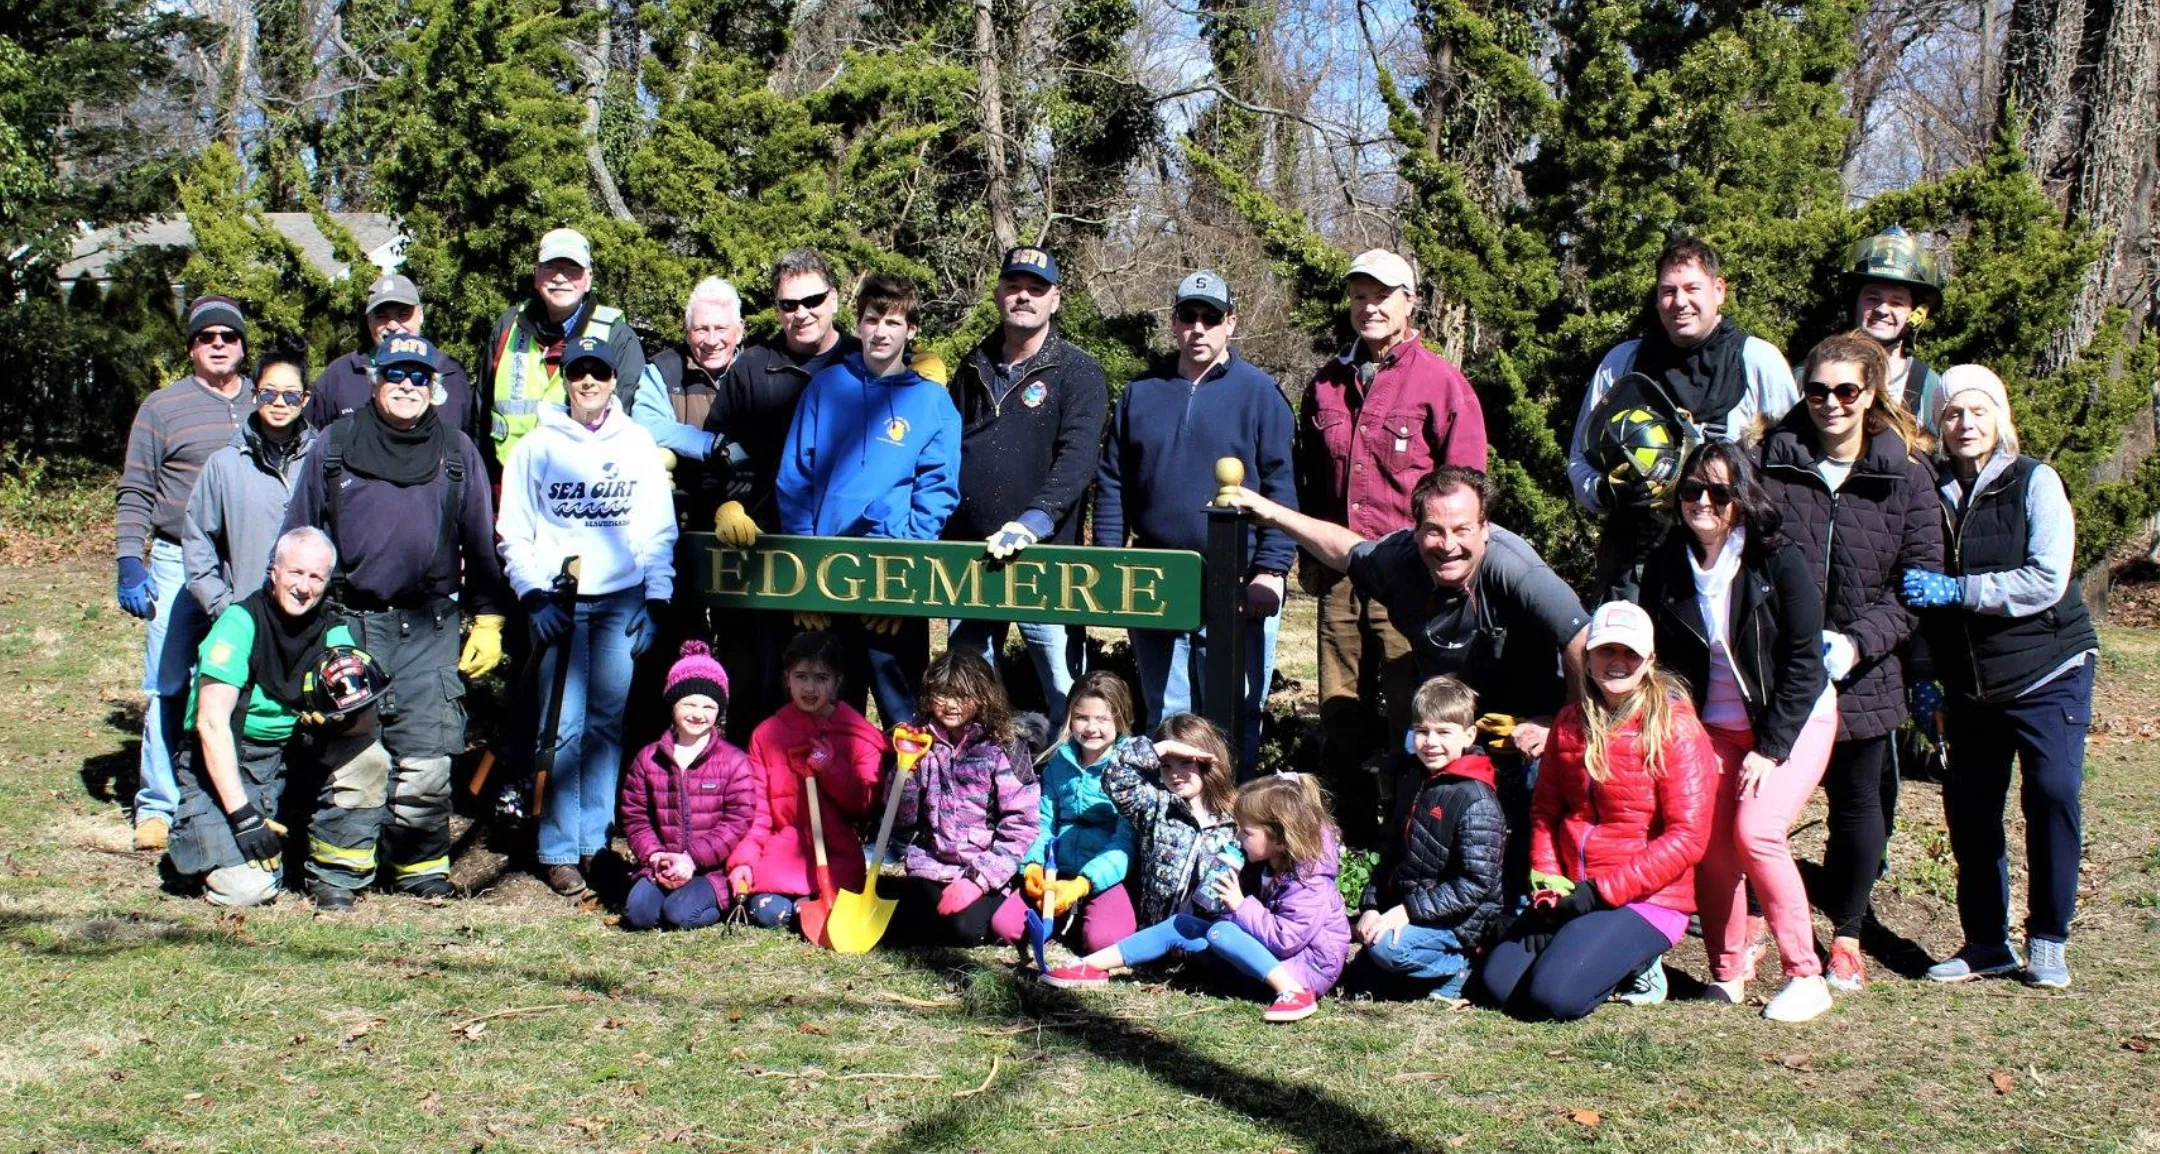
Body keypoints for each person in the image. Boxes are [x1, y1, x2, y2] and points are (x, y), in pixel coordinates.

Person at [1218, 466, 1588, 898]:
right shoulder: (1399, 561)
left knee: (1533, 788)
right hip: (1455, 718)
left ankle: (1531, 898)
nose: (1448, 545)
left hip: (1531, 713)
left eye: (1462, 529)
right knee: (1413, 778)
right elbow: (1347, 550)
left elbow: (1581, 637)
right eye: (1433, 530)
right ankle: (1412, 895)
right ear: (1415, 531)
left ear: (1485, 528)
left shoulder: (1514, 569)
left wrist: (1562, 722)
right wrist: (1272, 512)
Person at [281, 332, 510, 904]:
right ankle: (339, 874)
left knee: (427, 759)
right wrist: (302, 623)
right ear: (375, 379)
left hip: (429, 626)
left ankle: (418, 870)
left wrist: (489, 618)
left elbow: (481, 545)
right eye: (396, 375)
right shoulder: (335, 446)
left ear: (433, 389)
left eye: (418, 377)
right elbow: (299, 539)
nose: (407, 386)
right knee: (356, 757)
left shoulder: (458, 453)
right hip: (350, 621)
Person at [1757, 332, 1942, 993]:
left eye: (1846, 390)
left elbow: (1916, 583)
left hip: (1865, 672)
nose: (1831, 403)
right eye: (1818, 390)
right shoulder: (1772, 463)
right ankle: (1759, 917)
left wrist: (1860, 641)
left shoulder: (1907, 477)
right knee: (1762, 801)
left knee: (1859, 805)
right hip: (1781, 670)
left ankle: (1848, 932)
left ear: (1870, 395)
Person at [1908, 366, 2098, 990]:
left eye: (1978, 412)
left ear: (2000, 418)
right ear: (1939, 423)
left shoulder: (2034, 481)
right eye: (1954, 414)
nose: (1966, 425)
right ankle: (1987, 941)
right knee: (1970, 810)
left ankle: (2048, 938)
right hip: (1971, 685)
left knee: (2051, 793)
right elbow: (1915, 594)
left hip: (2049, 668)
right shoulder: (1929, 488)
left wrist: (1962, 589)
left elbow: (2048, 577)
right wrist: (1926, 674)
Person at [1637, 441, 1839, 1021]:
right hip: (1716, 730)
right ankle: (1728, 971)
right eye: (1692, 490)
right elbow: (1665, 664)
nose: (1702, 502)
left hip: (1793, 721)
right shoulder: (1666, 564)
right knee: (1711, 847)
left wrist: (1771, 749)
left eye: (1718, 492)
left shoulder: (1778, 559)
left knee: (1757, 831)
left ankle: (1805, 974)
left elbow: (1805, 662)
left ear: (1741, 499)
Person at [1294, 249, 1488, 843]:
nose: (1369, 307)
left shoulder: (1441, 384)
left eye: (1381, 296)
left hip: (1410, 571)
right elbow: (1308, 479)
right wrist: (1311, 557)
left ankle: (1416, 837)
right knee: (1341, 708)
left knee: (1414, 710)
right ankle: (1350, 838)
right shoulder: (1326, 383)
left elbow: (1467, 487)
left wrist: (1451, 569)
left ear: (1409, 302)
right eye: (1358, 296)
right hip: (1343, 573)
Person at [496, 334, 679, 898]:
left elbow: (657, 531)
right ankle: (556, 847)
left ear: (611, 378)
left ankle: (595, 841)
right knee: (561, 726)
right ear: (566, 378)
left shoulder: (638, 444)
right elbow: (514, 533)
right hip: (561, 603)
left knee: (605, 725)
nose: (590, 383)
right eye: (579, 373)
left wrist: (656, 601)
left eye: (599, 372)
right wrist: (531, 596)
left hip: (621, 601)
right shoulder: (537, 447)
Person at [1477, 601, 1715, 1021]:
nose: (1618, 662)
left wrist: (1601, 893)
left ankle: (1639, 965)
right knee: (1496, 985)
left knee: (1555, 997)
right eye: (1607, 651)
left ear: (1649, 660)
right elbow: (1546, 813)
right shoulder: (1569, 722)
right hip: (1573, 893)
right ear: (1586, 660)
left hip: (1646, 897)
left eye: (1630, 653)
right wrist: (1549, 884)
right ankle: (1585, 944)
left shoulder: (1675, 727)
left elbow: (1687, 837)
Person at [1094, 270, 1294, 765]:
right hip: (1157, 576)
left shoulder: (1259, 393)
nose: (1198, 329)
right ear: (1174, 322)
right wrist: (1107, 563)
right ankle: (1171, 819)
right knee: (1168, 706)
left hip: (1239, 577)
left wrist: (1270, 569)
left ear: (1231, 322)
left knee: (1237, 710)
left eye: (1211, 317)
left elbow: (1282, 485)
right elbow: (1113, 481)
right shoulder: (1141, 393)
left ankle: (1234, 818)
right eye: (1188, 316)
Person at [771, 272, 960, 725]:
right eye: (873, 319)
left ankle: (906, 795)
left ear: (911, 330)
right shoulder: (825, 388)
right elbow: (795, 480)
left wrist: (903, 587)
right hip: (828, 577)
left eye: (893, 323)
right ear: (858, 324)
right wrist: (807, 578)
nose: (881, 331)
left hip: (891, 577)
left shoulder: (932, 402)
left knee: (905, 715)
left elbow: (937, 492)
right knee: (831, 715)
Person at [167, 527, 389, 908]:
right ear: (273, 571)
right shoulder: (238, 624)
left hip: (290, 756)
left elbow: (364, 721)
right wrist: (243, 817)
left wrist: (342, 720)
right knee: (247, 890)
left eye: (315, 577)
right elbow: (210, 724)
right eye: (296, 573)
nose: (304, 586)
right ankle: (217, 844)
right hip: (227, 761)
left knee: (369, 758)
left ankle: (333, 876)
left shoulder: (334, 630)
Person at [1568, 238, 1799, 601]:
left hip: (1729, 568)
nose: (1680, 302)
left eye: (1693, 288)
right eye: (1668, 291)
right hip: (1633, 568)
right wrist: (1606, 492)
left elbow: (1794, 473)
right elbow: (1580, 459)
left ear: (1719, 290)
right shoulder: (1623, 364)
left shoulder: (1757, 362)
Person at [943, 247, 1109, 720]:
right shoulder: (972, 364)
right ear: (998, 294)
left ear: (1055, 299)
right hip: (973, 560)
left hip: (1046, 560)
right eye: (1014, 287)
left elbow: (1077, 461)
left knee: (1067, 695)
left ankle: (1066, 788)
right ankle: (977, 786)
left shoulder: (1078, 371)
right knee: (968, 694)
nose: (1023, 297)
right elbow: (951, 446)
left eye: (1036, 289)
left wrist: (1033, 521)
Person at [1045, 773, 1349, 1025]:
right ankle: (1090, 965)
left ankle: (1293, 994)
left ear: (1280, 839)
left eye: (1246, 832)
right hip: (1266, 961)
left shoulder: (1311, 881)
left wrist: (1240, 905)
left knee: (1221, 932)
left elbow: (1286, 940)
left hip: (1305, 971)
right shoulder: (1265, 864)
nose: (1239, 839)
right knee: (1183, 924)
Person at [116, 294, 253, 851]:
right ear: (192, 346)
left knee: (240, 681)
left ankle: (237, 793)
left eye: (228, 336)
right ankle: (157, 803)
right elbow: (135, 489)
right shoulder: (162, 407)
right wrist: (131, 557)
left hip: (243, 558)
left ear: (243, 345)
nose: (218, 345)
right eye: (206, 337)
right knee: (169, 682)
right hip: (175, 557)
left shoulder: (266, 399)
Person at [1343, 675, 1506, 1001]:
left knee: (1387, 950)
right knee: (1357, 973)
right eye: (1422, 731)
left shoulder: (1476, 799)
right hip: (1415, 906)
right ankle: (1416, 977)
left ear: (1469, 735)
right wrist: (1372, 905)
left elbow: (1474, 884)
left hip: (1460, 921)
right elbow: (1391, 850)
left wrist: (1407, 912)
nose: (1431, 742)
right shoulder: (1414, 780)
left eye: (1444, 732)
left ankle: (1460, 967)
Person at [733, 630, 889, 933]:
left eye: (821, 677)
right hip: (783, 850)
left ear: (837, 682)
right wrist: (744, 861)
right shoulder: (766, 735)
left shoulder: (857, 736)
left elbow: (865, 807)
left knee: (814, 908)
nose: (810, 687)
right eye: (801, 676)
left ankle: (808, 911)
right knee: (765, 911)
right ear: (786, 678)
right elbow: (758, 812)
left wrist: (831, 769)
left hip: (836, 856)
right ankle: (802, 910)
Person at [889, 650, 1041, 945]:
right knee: (905, 925)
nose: (950, 704)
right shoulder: (921, 742)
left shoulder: (1005, 746)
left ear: (984, 695)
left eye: (961, 695)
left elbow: (1022, 826)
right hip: (932, 864)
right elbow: (902, 819)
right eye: (942, 694)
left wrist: (978, 879)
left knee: (963, 930)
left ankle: (1004, 904)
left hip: (987, 869)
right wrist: (904, 775)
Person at [991, 670, 1141, 957]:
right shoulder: (1059, 761)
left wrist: (1084, 883)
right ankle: (1063, 916)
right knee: (1004, 927)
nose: (1090, 727)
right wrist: (1033, 865)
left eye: (1102, 719)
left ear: (1120, 720)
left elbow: (1125, 842)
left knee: (1104, 941)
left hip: (1102, 873)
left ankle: (1082, 911)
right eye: (1082, 717)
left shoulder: (1130, 768)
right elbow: (1043, 821)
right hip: (1056, 866)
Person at [481, 227, 648, 474]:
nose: (560, 278)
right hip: (509, 486)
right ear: (536, 275)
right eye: (551, 267)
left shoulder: (617, 336)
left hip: (583, 490)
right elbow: (480, 412)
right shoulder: (508, 326)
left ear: (588, 278)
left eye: (572, 269)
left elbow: (626, 421)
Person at [618, 641, 760, 931]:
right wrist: (655, 855)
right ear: (673, 704)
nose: (698, 714)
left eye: (709, 706)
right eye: (689, 704)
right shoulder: (648, 759)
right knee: (639, 915)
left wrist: (692, 859)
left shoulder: (734, 761)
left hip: (710, 869)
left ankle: (717, 901)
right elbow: (635, 816)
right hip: (663, 863)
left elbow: (737, 820)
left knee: (680, 915)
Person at [183, 349, 318, 619]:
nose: (279, 402)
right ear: (255, 395)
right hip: (248, 616)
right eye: (269, 392)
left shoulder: (323, 459)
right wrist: (223, 607)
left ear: (304, 399)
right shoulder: (224, 465)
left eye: (291, 395)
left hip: (313, 617)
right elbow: (198, 541)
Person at [1097, 712, 1246, 929]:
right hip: (1157, 930)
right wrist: (1161, 748)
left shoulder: (1234, 817)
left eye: (1185, 763)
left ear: (1208, 760)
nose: (1175, 774)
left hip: (1207, 933)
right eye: (1166, 765)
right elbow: (1114, 777)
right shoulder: (1155, 805)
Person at [304, 273, 480, 443]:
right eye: (381, 316)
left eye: (403, 314)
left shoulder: (450, 372)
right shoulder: (339, 374)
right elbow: (308, 441)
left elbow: (470, 442)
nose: (393, 325)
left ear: (421, 315)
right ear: (368, 321)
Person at [632, 276, 751, 524]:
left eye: (720, 328)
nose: (711, 340)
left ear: (739, 331)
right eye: (701, 329)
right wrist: (710, 444)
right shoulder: (663, 370)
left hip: (752, 515)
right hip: (681, 518)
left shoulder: (759, 370)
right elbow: (645, 424)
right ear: (687, 333)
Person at [1839, 226, 1946, 426]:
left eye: (1896, 302)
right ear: (1854, 302)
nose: (1882, 309)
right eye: (1872, 298)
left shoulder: (1928, 387)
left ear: (1916, 313)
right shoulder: (1816, 372)